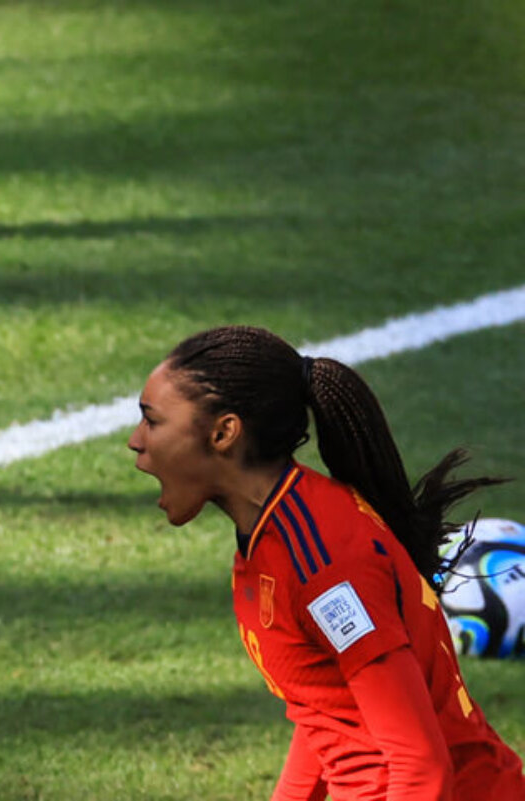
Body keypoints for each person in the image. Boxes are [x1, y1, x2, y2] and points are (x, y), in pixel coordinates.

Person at [126, 325, 525, 801]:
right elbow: (328, 710)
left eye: (152, 421)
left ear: (224, 432)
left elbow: (421, 768)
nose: (136, 440)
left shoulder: (324, 567)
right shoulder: (277, 536)